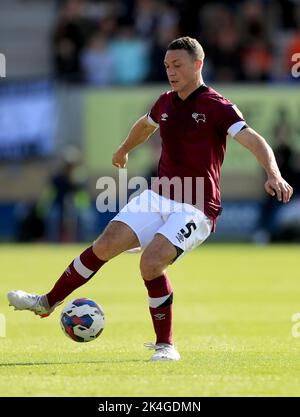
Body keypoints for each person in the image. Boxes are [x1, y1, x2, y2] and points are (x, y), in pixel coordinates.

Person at [8, 37, 293, 361]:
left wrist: (274, 173)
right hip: (158, 196)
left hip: (197, 207)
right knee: (103, 245)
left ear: (197, 65)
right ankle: (46, 302)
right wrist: (123, 149)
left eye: (178, 65)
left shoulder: (217, 106)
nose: (171, 71)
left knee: (151, 262)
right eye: (167, 66)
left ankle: (165, 345)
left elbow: (254, 139)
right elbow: (145, 126)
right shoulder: (165, 103)